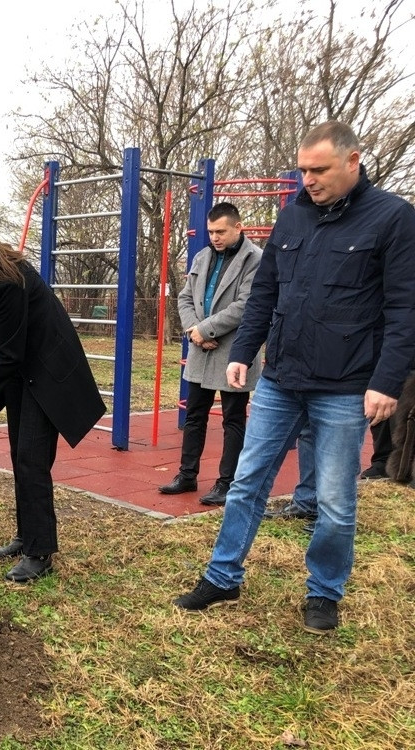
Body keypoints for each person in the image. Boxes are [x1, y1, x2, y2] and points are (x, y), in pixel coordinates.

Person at [174, 121, 415, 635]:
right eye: (303, 169)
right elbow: (265, 293)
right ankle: (223, 577)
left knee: (333, 500)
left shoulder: (393, 219)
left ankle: (324, 592)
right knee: (246, 483)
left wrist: (387, 381)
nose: (308, 179)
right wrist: (244, 351)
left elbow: (404, 308)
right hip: (282, 378)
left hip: (347, 386)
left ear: (352, 161)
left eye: (319, 169)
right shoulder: (292, 219)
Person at [0, 205, 106, 583]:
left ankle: (39, 551)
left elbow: (10, 353)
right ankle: (27, 536)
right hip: (21, 369)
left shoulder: (7, 281)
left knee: (31, 458)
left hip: (46, 371)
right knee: (20, 455)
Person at [158, 202, 263, 506]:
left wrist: (206, 330)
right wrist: (195, 331)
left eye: (221, 231)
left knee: (233, 418)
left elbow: (245, 306)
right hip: (201, 348)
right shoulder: (203, 256)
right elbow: (185, 297)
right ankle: (187, 474)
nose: (215, 237)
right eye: (211, 232)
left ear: (238, 227)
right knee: (195, 415)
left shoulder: (255, 260)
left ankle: (227, 482)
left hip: (235, 350)